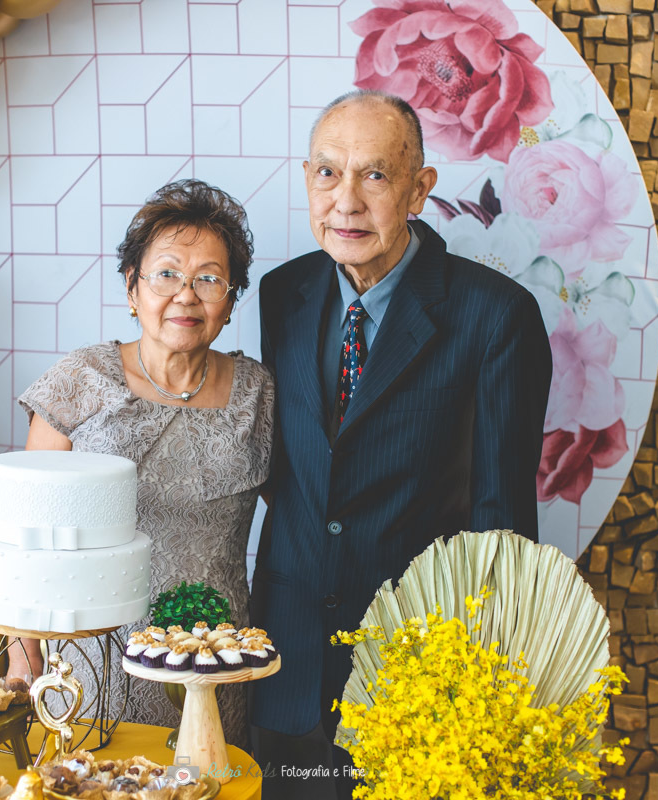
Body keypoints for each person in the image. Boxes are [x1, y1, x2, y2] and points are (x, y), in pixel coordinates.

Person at [251, 90, 552, 797]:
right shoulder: (281, 293)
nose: (346, 200)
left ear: (420, 189)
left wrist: (480, 687)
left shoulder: (496, 317)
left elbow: (502, 522)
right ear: (305, 181)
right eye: (327, 173)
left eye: (375, 175)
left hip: (414, 672)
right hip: (284, 663)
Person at [13, 179, 274, 747]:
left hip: (213, 672)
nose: (186, 295)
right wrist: (21, 659)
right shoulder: (81, 379)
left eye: (209, 278)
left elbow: (303, 515)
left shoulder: (259, 393)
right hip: (90, 668)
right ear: (132, 287)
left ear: (230, 302)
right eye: (166, 274)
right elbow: (21, 535)